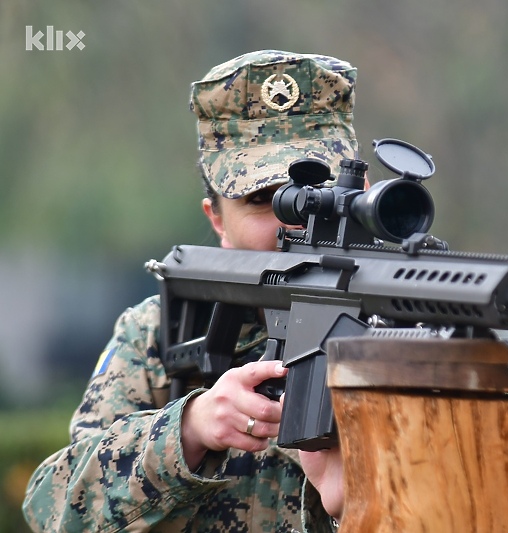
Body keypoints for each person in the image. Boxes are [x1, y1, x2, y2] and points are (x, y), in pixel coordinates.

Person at [22, 50, 355, 532]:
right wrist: (189, 430)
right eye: (264, 199)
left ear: (362, 187)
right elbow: (52, 511)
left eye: (319, 189)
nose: (296, 220)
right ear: (215, 218)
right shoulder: (160, 333)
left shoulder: (428, 332)